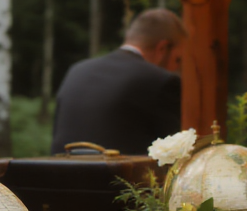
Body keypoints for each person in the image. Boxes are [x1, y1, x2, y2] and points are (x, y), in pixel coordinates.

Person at [50, 9, 185, 155]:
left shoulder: (77, 71)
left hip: (58, 168)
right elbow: (176, 154)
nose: (177, 68)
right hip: (119, 170)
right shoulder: (161, 81)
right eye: (178, 60)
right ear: (162, 48)